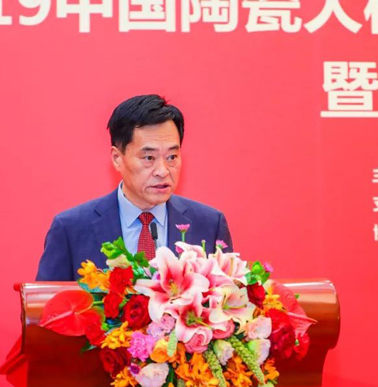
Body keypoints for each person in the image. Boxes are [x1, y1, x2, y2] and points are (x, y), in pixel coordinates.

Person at [36, 95, 233, 281]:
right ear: (117, 158)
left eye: (172, 157)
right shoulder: (71, 229)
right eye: (149, 158)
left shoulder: (209, 225)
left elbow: (227, 298)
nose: (162, 171)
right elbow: (47, 303)